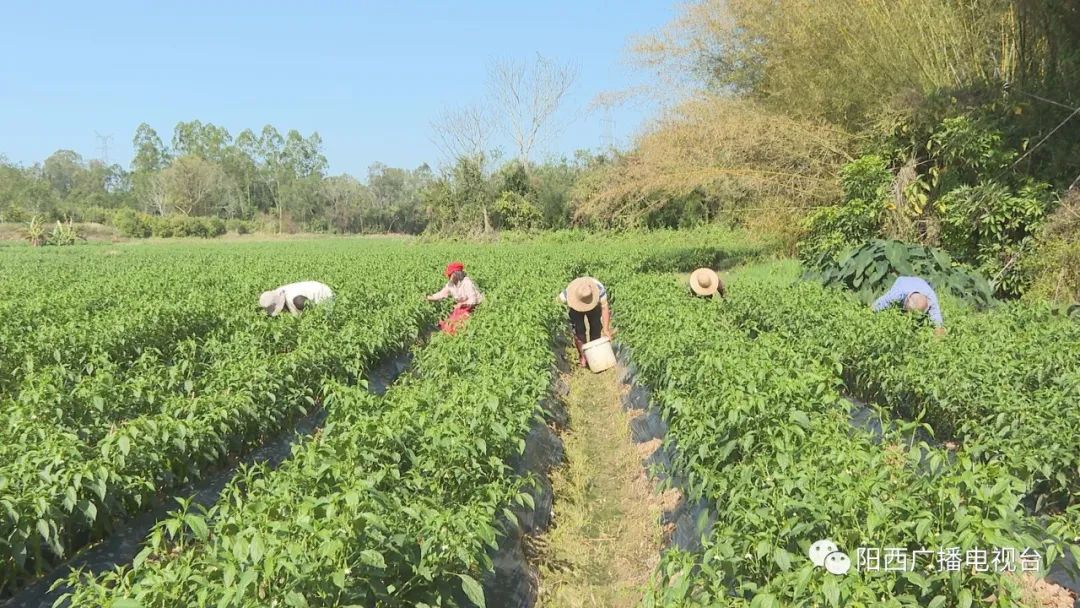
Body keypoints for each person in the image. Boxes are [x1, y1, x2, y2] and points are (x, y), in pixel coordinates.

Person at [559, 276, 612, 367]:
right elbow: (556, 304)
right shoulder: (567, 294)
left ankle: (595, 353)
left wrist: (606, 329)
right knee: (579, 330)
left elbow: (604, 307)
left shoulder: (599, 289)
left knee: (596, 326)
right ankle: (583, 356)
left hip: (594, 304)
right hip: (575, 308)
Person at [872, 276, 946, 335]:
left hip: (920, 282)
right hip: (902, 281)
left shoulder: (931, 298)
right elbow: (877, 305)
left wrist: (936, 345)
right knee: (891, 309)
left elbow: (939, 325)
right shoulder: (896, 294)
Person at [427, 261, 483, 334]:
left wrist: (462, 304)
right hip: (461, 307)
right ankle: (444, 331)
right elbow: (442, 293)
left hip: (473, 307)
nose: (449, 276)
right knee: (451, 320)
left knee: (458, 322)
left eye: (450, 274)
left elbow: (473, 300)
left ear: (456, 274)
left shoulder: (466, 283)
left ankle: (454, 333)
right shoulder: (451, 284)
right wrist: (430, 297)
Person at [259, 281, 334, 316]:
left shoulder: (298, 301)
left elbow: (314, 313)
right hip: (309, 289)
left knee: (325, 317)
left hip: (325, 295)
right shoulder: (276, 294)